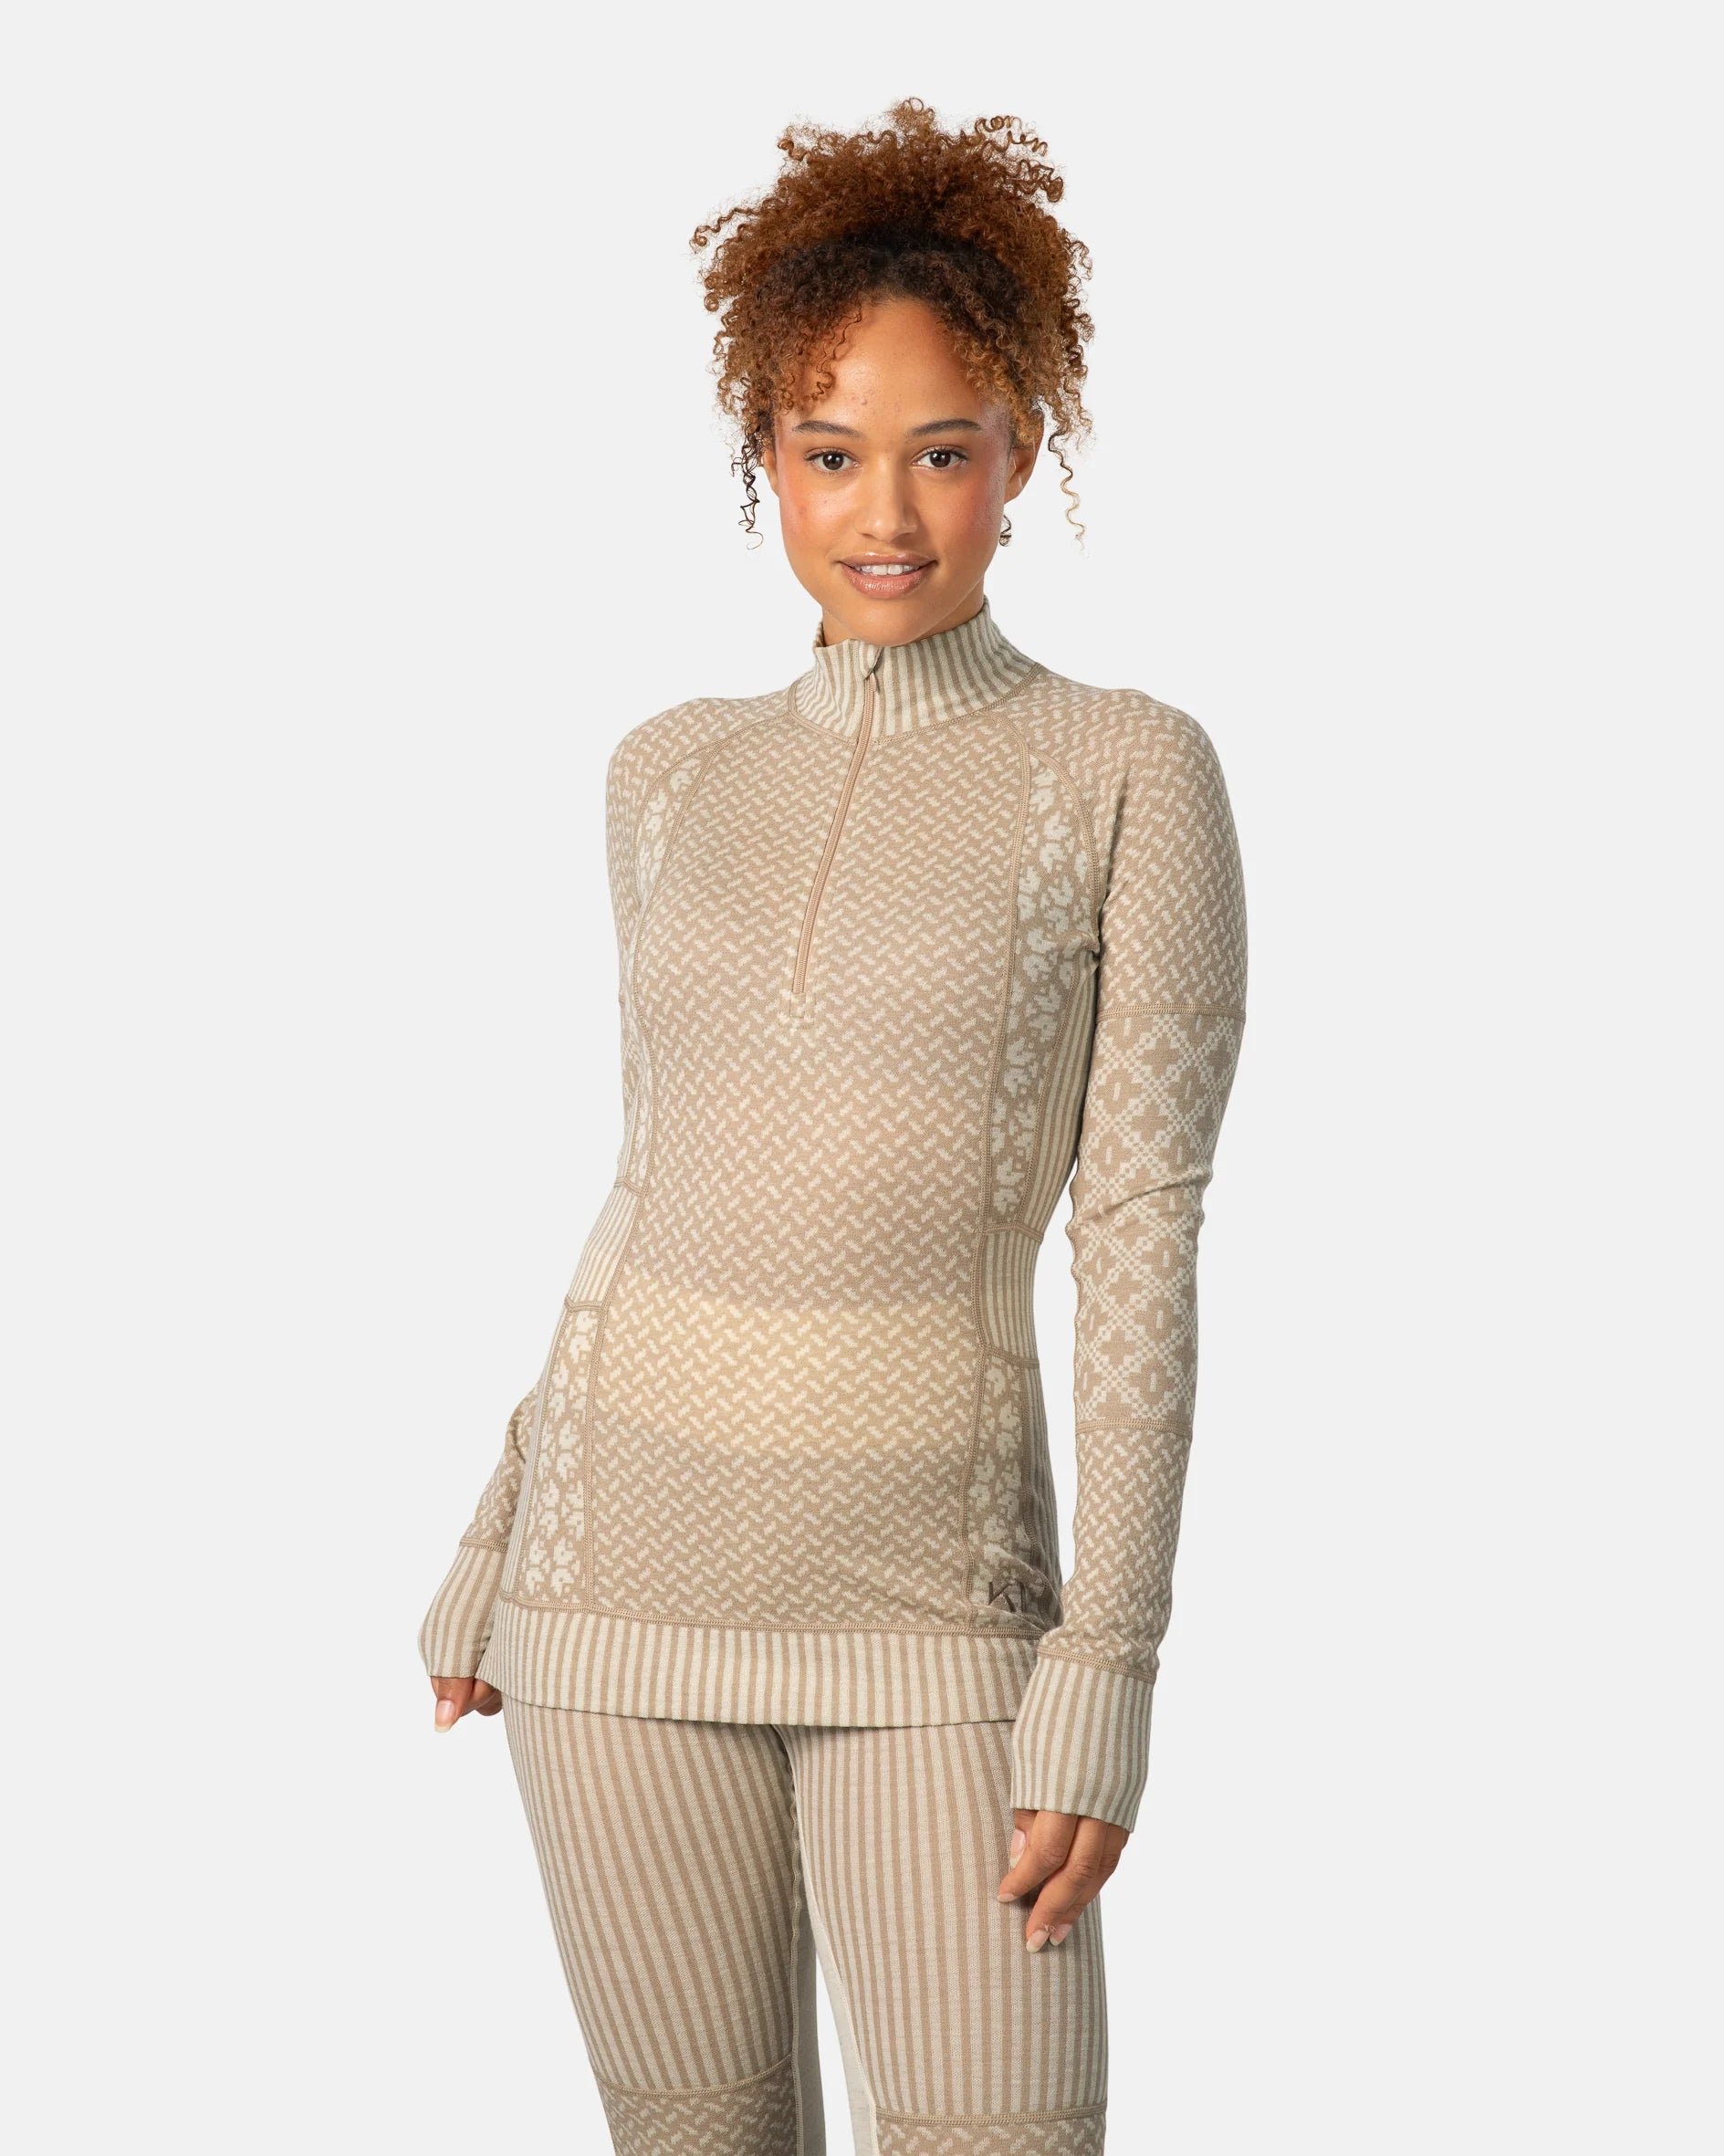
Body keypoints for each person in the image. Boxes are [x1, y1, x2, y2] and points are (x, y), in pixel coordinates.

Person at [417, 97, 1247, 2156]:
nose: (887, 513)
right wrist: (500, 1524)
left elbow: (1140, 1228)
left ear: (1020, 453)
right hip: (606, 1606)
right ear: (763, 460)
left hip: (942, 1626)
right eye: (828, 453)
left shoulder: (1127, 768)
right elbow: (661, 1177)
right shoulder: (667, 774)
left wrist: (1110, 1657)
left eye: (942, 452)